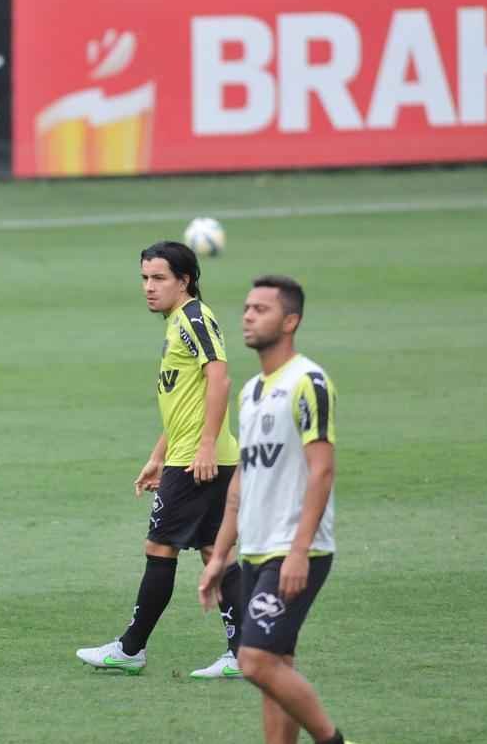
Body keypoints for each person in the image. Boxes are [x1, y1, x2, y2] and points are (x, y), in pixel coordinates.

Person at [77, 241, 244, 678]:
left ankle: (131, 648)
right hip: (191, 454)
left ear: (184, 281)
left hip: (197, 460)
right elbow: (182, 402)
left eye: (159, 279)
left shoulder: (194, 319)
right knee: (215, 551)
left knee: (161, 547)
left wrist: (205, 444)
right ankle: (246, 652)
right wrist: (157, 456)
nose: (149, 288)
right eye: (145, 279)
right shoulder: (177, 323)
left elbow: (220, 380)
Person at [199, 276, 354, 744]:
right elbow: (241, 484)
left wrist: (300, 551)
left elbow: (322, 470)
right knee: (275, 666)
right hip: (257, 549)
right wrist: (221, 555)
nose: (247, 316)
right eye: (246, 307)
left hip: (294, 549)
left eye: (261, 309)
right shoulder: (249, 394)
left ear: (291, 321)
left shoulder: (308, 381)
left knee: (254, 661)